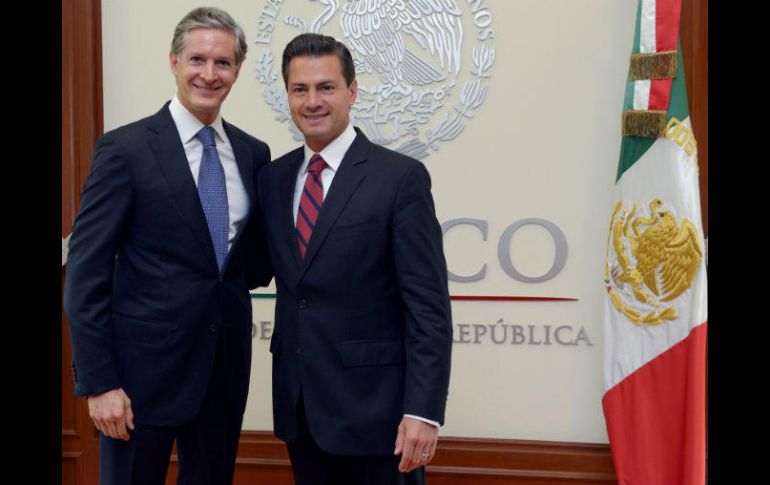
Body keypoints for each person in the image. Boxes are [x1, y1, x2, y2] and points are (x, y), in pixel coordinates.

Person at [63, 7, 272, 484]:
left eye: (223, 63)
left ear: (237, 71)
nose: (209, 73)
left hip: (222, 375)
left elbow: (249, 265)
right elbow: (86, 273)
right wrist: (100, 383)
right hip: (137, 383)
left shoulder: (253, 154)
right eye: (197, 59)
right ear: (174, 61)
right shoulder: (125, 149)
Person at [258, 33, 453, 485]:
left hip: (379, 419)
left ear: (352, 91)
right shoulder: (273, 178)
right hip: (301, 413)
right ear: (287, 94)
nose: (312, 101)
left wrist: (423, 411)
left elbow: (428, 309)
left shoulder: (399, 179)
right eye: (300, 89)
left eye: (326, 87)